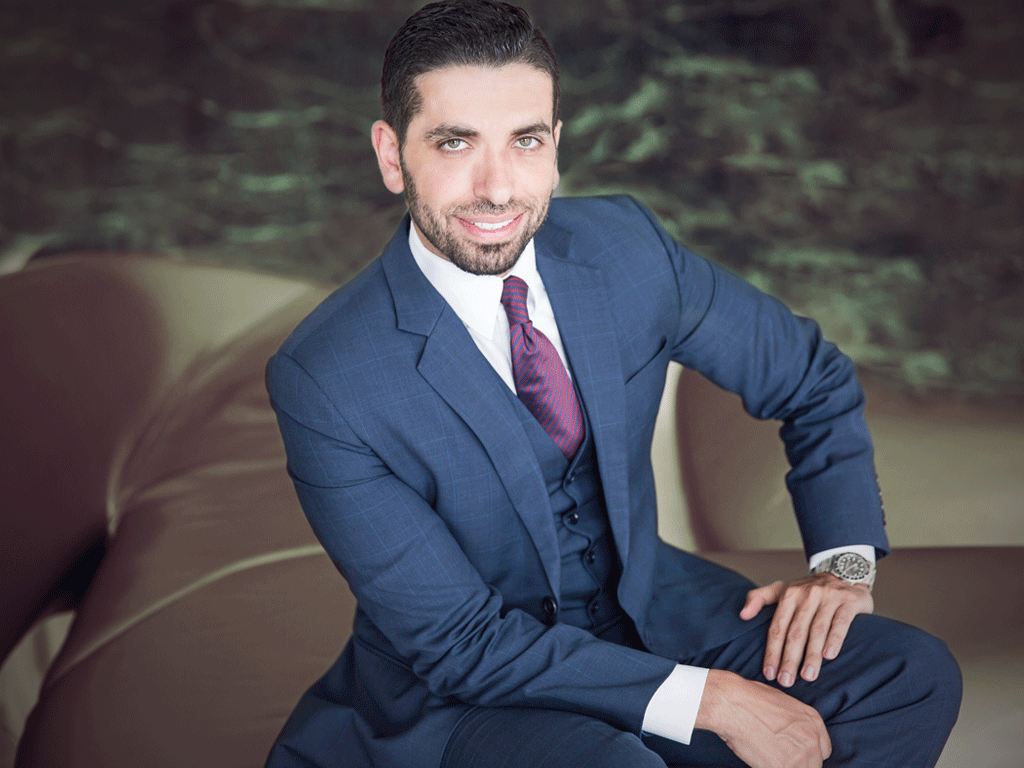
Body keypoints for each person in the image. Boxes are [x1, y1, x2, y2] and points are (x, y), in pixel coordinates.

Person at [264, 1, 962, 766]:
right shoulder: (327, 377)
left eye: (525, 141)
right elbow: (461, 643)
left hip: (657, 610)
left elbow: (810, 376)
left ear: (556, 146)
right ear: (393, 155)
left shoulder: (626, 248)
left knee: (910, 677)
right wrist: (714, 701)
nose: (497, 188)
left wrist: (844, 568)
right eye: (455, 142)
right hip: (472, 692)